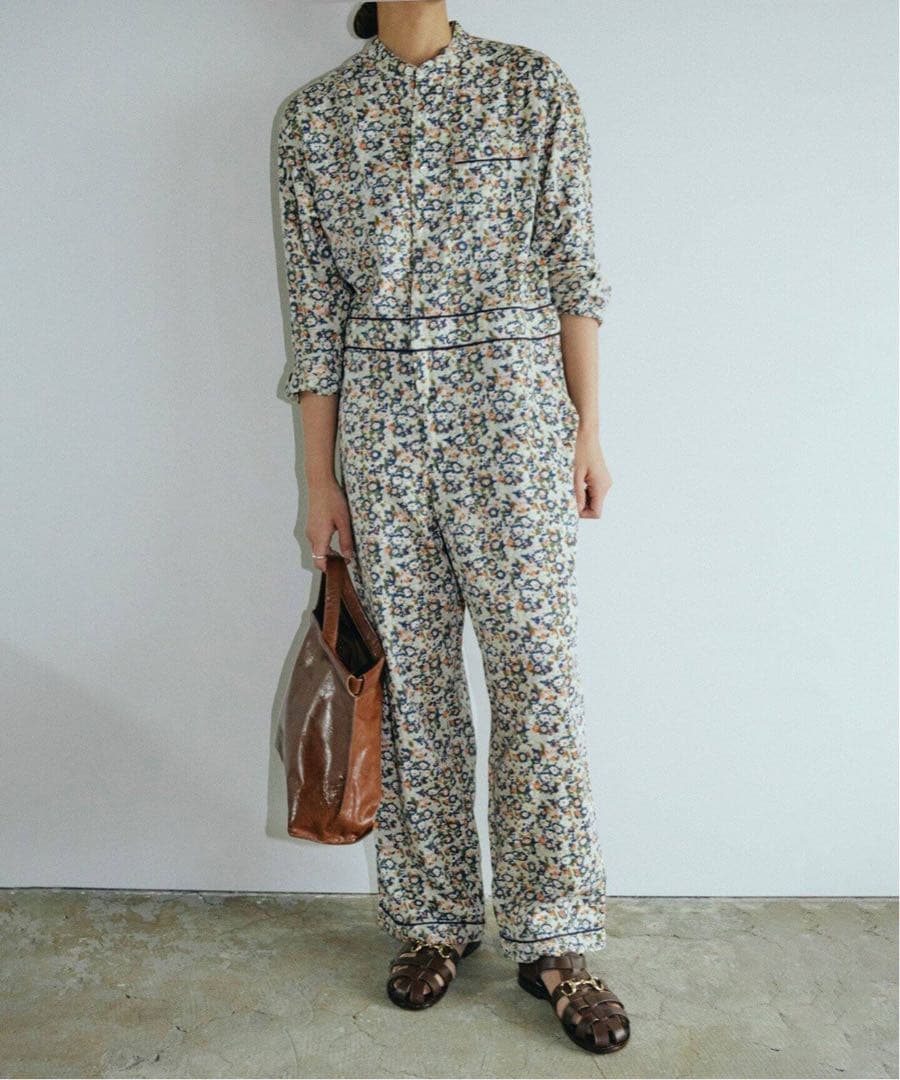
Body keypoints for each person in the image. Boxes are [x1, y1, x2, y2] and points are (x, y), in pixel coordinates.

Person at [275, 0, 630, 1054]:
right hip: (383, 434)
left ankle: (555, 939)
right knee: (414, 692)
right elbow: (316, 322)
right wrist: (318, 481)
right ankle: (432, 920)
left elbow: (573, 269)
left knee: (536, 679)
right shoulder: (316, 120)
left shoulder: (532, 88)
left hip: (513, 417)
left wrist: (588, 430)